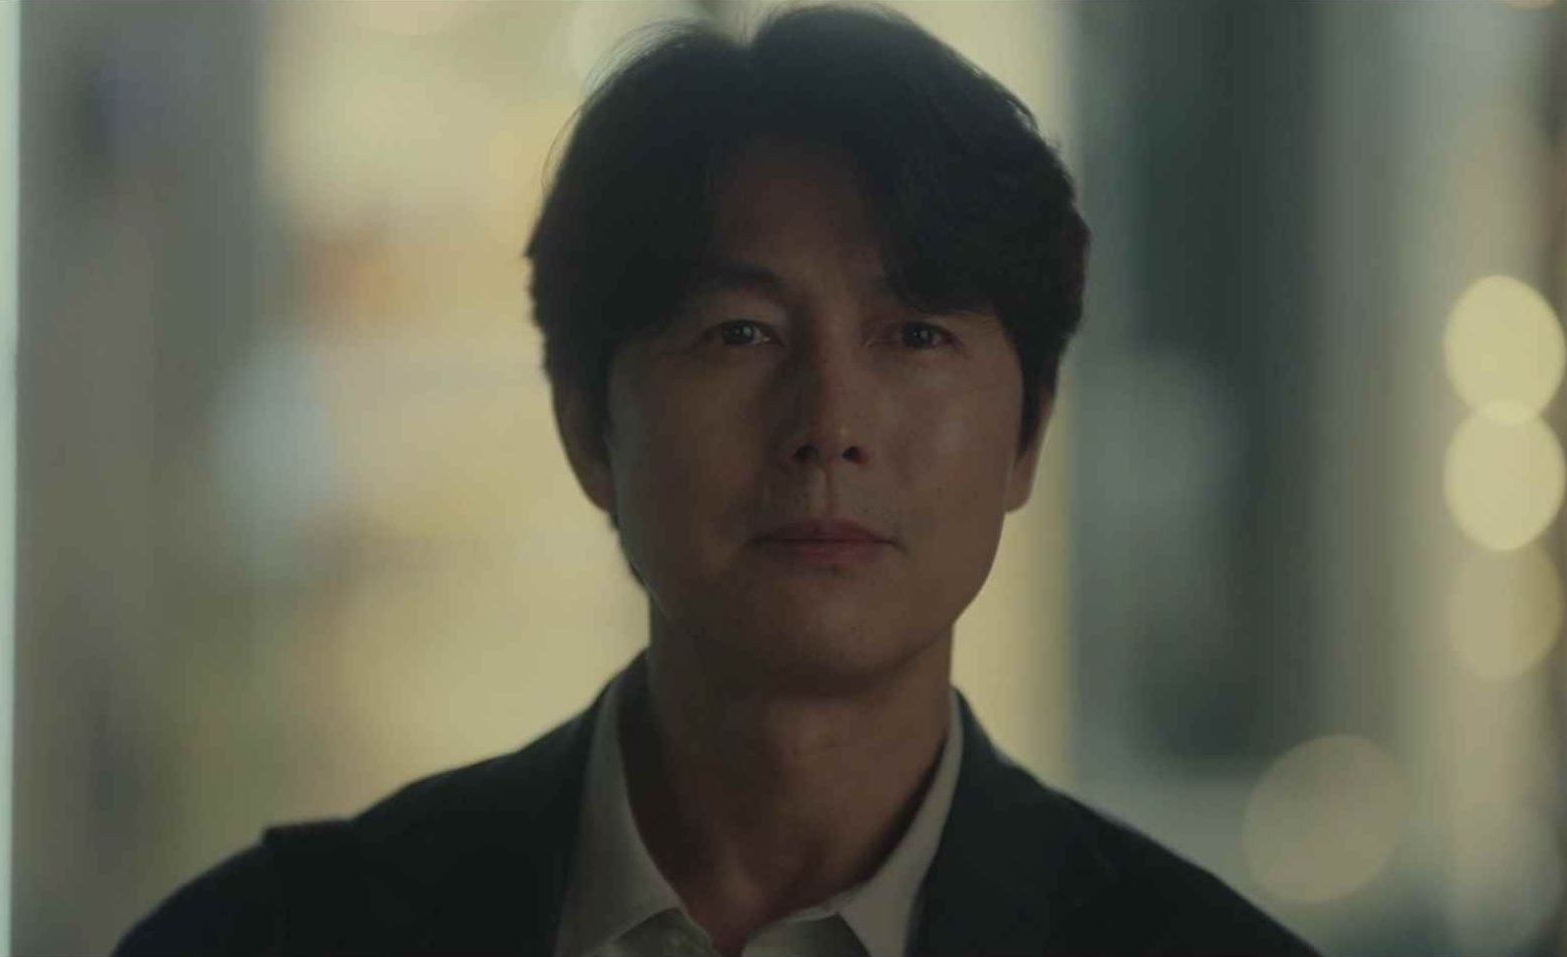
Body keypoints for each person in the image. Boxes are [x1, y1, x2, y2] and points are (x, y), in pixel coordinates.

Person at [116, 5, 1317, 955]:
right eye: (740, 333)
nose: (828, 427)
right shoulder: (275, 936)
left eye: (913, 335)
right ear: (588, 426)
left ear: (1028, 434)